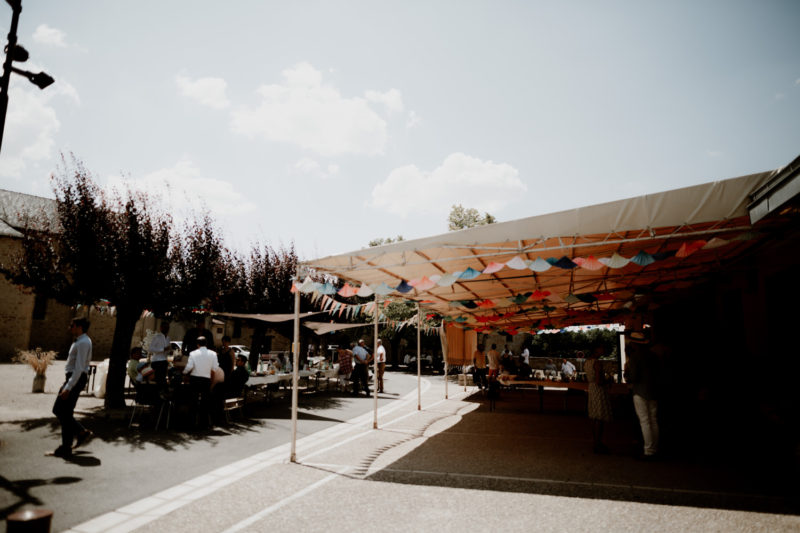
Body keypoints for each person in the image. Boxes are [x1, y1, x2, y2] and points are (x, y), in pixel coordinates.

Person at [48, 318, 94, 458]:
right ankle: (78, 434)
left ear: (79, 327)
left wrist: (68, 387)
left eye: (72, 325)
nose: (70, 328)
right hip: (73, 377)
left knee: (61, 410)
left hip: (76, 378)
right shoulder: (81, 341)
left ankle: (68, 445)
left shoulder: (84, 342)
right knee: (63, 411)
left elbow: (79, 367)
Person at [624, 330, 660, 459]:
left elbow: (634, 377)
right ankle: (654, 447)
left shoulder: (635, 357)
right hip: (653, 390)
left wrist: (628, 377)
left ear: (634, 344)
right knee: (653, 420)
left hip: (640, 391)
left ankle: (648, 450)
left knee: (645, 421)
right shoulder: (653, 356)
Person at [183, 336, 219, 429]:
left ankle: (191, 423)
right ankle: (204, 424)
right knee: (205, 401)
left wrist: (184, 373)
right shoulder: (213, 354)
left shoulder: (193, 353)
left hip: (195, 379)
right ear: (206, 344)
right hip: (206, 379)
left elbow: (189, 366)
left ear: (197, 344)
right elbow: (215, 367)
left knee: (193, 401)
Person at [586, 344, 613, 454]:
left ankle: (596, 441)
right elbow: (599, 381)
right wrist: (608, 380)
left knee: (594, 416)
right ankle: (598, 443)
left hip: (591, 389)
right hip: (598, 390)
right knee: (599, 417)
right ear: (596, 350)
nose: (603, 350)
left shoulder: (587, 362)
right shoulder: (597, 363)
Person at [148, 320, 171, 386]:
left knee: (163, 378)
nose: (166, 329)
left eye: (167, 327)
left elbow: (167, 350)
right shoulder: (157, 337)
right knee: (158, 379)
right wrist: (162, 349)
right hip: (157, 361)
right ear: (161, 328)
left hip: (164, 361)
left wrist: (169, 351)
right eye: (164, 327)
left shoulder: (168, 338)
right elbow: (151, 349)